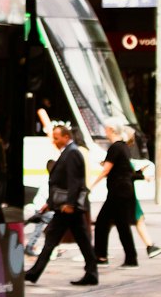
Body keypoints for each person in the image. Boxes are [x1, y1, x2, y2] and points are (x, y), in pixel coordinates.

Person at [24, 121, 99, 286]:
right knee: (80, 240)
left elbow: (74, 181)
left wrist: (70, 204)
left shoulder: (72, 153)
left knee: (53, 239)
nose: (54, 141)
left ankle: (34, 273)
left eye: (57, 138)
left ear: (66, 137)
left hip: (68, 208)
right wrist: (49, 204)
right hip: (65, 207)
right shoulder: (68, 152)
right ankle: (91, 272)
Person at [90, 118, 139, 267]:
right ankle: (128, 257)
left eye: (106, 129)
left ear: (111, 129)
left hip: (118, 191)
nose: (105, 131)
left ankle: (102, 256)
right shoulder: (123, 146)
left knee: (103, 222)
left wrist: (91, 185)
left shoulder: (115, 147)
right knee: (118, 224)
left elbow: (106, 169)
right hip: (123, 190)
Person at [124, 128, 161, 258]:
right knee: (132, 221)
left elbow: (126, 171)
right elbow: (126, 171)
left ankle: (148, 247)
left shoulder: (122, 150)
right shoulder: (122, 150)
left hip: (124, 192)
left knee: (137, 220)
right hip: (123, 193)